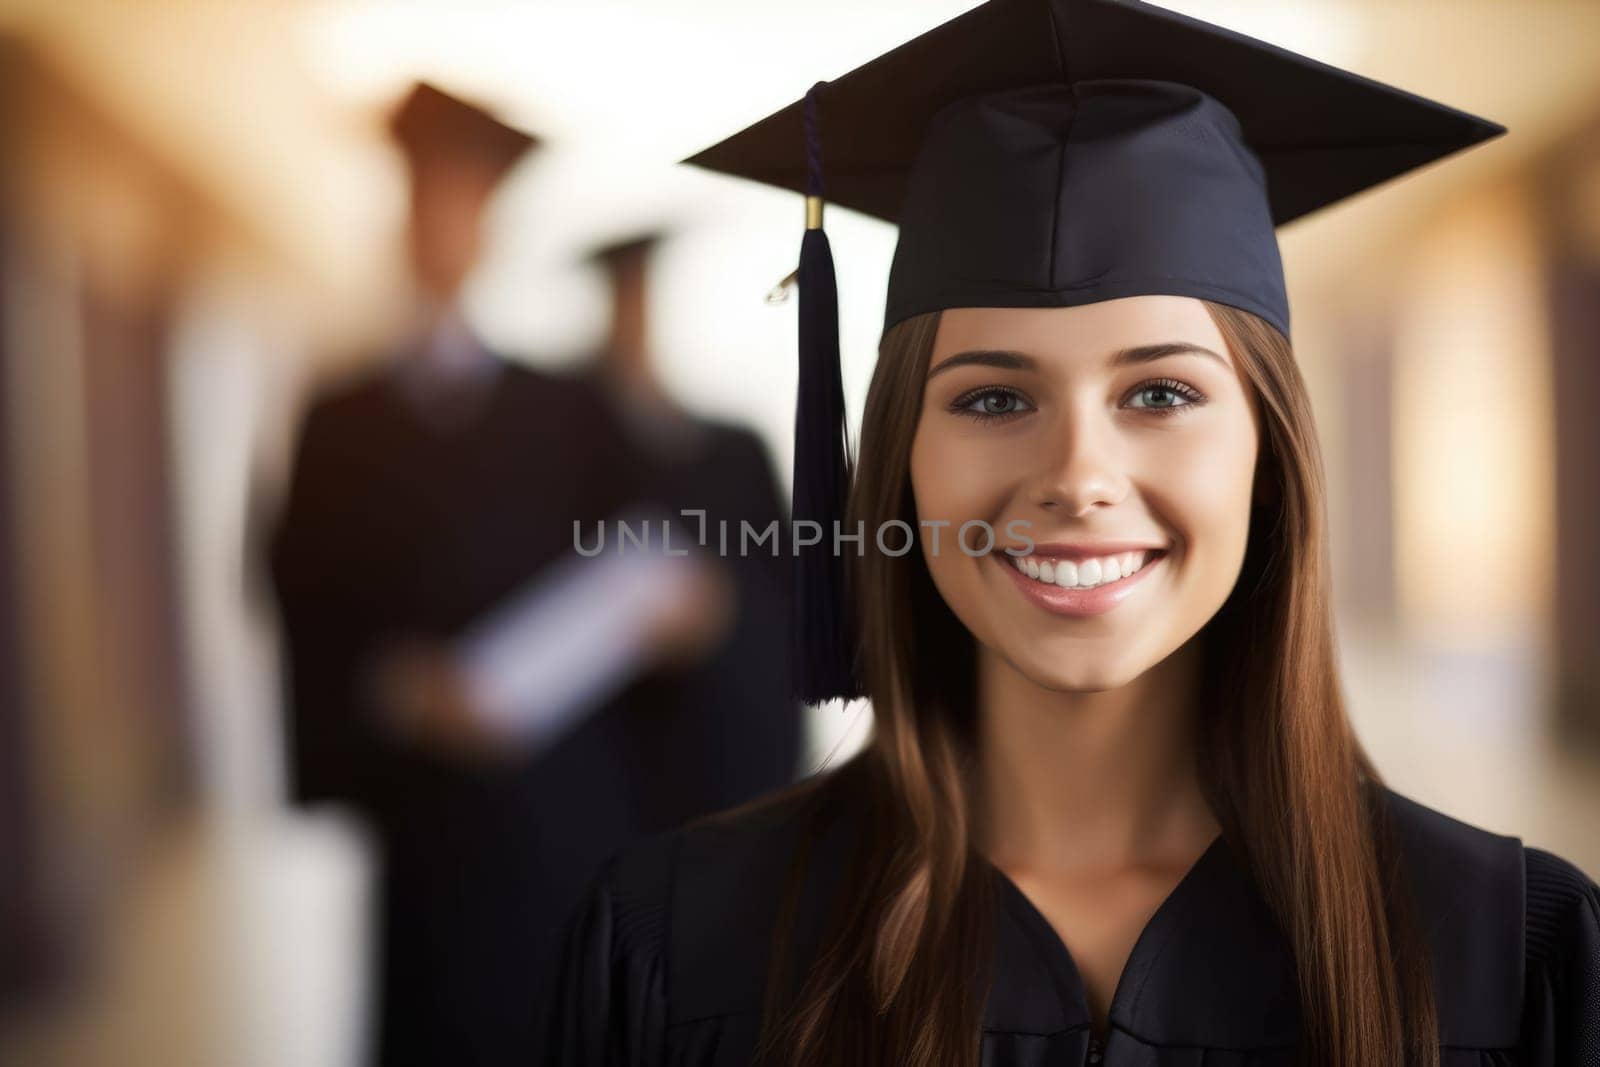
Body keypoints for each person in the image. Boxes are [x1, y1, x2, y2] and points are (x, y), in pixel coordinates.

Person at [541, 1, 1600, 1065]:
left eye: (1161, 391)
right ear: (899, 460)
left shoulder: (1505, 954)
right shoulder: (681, 944)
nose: (1077, 477)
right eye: (993, 400)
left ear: (1268, 455)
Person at [265, 82, 734, 1067]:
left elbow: (657, 567)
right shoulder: (336, 419)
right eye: (424, 198)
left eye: (464, 200)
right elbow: (294, 594)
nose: (442, 222)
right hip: (428, 822)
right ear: (398, 217)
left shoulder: (570, 407)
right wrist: (393, 689)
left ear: (491, 227)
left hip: (568, 812)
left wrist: (680, 614)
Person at [573, 229, 803, 831]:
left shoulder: (735, 452)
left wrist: (719, 611)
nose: (633, 319)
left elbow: (788, 603)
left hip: (724, 756)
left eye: (642, 299)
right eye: (623, 300)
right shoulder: (573, 456)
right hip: (614, 772)